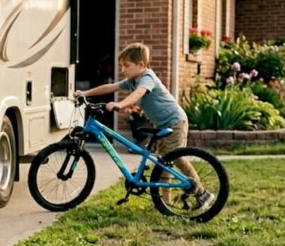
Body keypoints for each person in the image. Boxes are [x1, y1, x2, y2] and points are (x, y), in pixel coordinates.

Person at [76, 42, 214, 209]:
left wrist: (121, 104)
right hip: (164, 123)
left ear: (141, 64)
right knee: (164, 161)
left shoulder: (147, 77)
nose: (123, 70)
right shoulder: (132, 80)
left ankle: (201, 193)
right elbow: (110, 87)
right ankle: (165, 201)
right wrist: (85, 93)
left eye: (126, 65)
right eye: (121, 66)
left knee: (175, 158)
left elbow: (139, 93)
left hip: (175, 121)